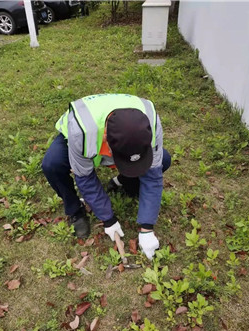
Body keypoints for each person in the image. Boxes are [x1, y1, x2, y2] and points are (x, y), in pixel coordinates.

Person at [42, 94, 171, 259]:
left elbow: (153, 177)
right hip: (81, 135)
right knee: (52, 164)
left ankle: (124, 183)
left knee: (164, 160)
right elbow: (85, 178)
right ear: (106, 140)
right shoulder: (81, 132)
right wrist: (108, 219)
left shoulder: (151, 122)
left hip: (115, 138)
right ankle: (75, 209)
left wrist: (147, 228)